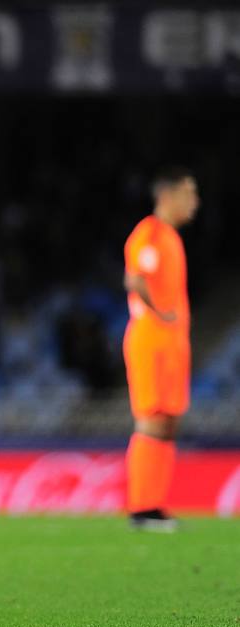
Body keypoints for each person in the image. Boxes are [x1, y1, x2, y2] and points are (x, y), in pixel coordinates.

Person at [122, 167, 199, 532]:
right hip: (152, 341)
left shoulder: (169, 237)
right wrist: (160, 312)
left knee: (168, 421)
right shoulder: (150, 233)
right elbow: (134, 278)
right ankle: (141, 508)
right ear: (167, 196)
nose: (194, 202)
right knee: (151, 419)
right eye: (189, 194)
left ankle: (154, 506)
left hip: (171, 343)